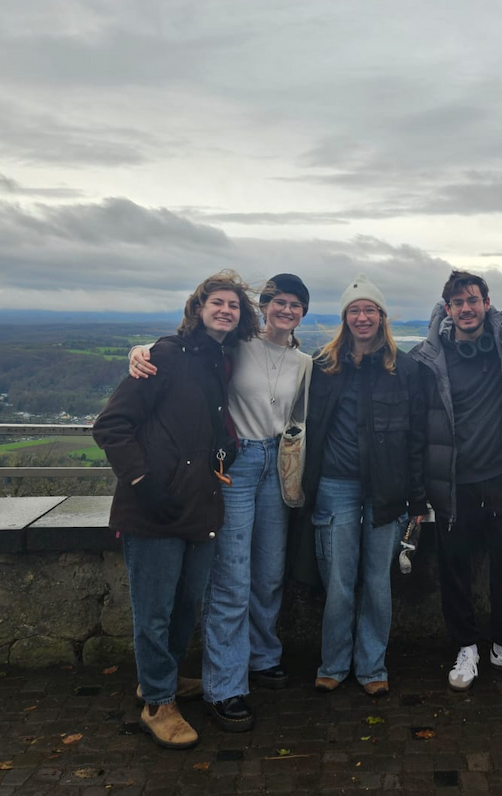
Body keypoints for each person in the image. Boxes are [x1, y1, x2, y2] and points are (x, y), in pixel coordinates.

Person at [128, 274, 314, 734]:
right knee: (231, 576)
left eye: (296, 305)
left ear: (304, 313)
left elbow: (302, 417)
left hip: (279, 462)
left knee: (269, 571)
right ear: (265, 306)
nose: (286, 310)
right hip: (235, 463)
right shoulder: (237, 346)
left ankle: (262, 656)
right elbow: (187, 350)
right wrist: (138, 351)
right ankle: (225, 686)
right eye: (278, 302)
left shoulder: (307, 362)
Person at [92, 270, 256, 749]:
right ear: (199, 308)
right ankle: (157, 703)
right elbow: (111, 425)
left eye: (234, 305)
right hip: (154, 508)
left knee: (188, 604)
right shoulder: (164, 355)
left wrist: (227, 448)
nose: (226, 310)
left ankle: (159, 678)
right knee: (155, 610)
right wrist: (142, 481)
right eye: (218, 303)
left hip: (199, 504)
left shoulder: (219, 360)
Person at [408, 270, 502, 690]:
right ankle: (465, 646)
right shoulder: (427, 359)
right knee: (455, 567)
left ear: (487, 303)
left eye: (473, 300)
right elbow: (415, 429)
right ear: (447, 308)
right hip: (454, 483)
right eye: (457, 303)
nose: (466, 309)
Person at [300, 274, 426, 696]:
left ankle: (372, 667)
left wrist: (418, 496)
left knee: (377, 580)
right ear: (344, 318)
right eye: (354, 310)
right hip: (335, 485)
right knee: (337, 578)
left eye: (369, 309)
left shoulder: (405, 369)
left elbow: (417, 439)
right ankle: (333, 663)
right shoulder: (322, 365)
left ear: (382, 316)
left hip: (387, 490)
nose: (362, 316)